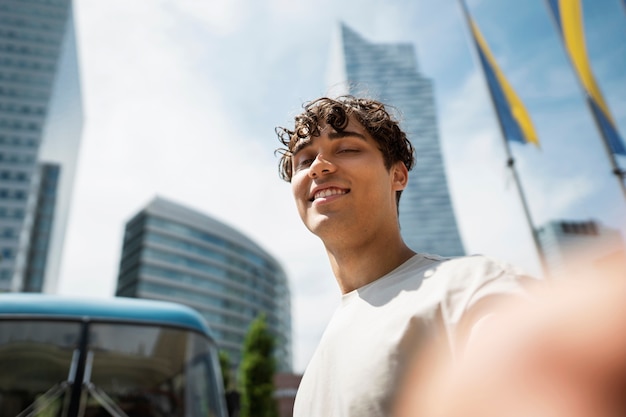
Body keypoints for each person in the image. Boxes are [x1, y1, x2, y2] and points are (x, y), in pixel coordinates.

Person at [275, 95, 534, 417]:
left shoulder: (473, 288)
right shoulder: (311, 379)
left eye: (347, 149)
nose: (319, 166)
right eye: (304, 159)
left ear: (397, 176)